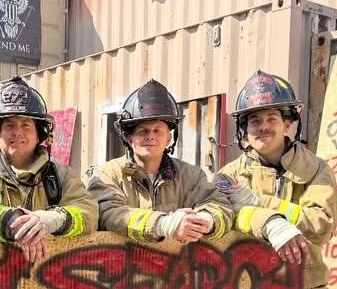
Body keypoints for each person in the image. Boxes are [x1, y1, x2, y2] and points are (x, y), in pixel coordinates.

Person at [213, 70, 337, 289]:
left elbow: (320, 226)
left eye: (271, 118)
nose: (263, 127)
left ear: (287, 123)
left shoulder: (316, 170)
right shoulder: (228, 177)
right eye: (254, 121)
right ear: (244, 129)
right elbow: (224, 226)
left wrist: (258, 202)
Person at [0, 76, 97, 262]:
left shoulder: (62, 176)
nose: (17, 132)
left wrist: (48, 220)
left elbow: (89, 213)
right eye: (9, 125)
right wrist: (12, 221)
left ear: (40, 133)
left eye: (26, 125)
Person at [89, 79, 232, 244]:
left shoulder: (191, 176)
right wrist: (163, 224)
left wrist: (205, 220)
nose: (150, 136)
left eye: (157, 130)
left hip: (174, 268)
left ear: (168, 138)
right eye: (142, 131)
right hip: (123, 267)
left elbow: (220, 206)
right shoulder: (108, 174)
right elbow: (108, 213)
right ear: (129, 138)